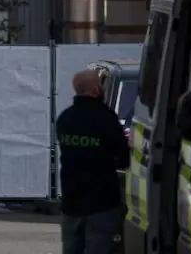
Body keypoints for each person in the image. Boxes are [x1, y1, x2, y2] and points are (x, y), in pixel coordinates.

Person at [56, 69, 130, 254]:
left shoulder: (65, 119)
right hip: (101, 203)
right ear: (96, 90)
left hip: (72, 202)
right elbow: (123, 160)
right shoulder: (107, 119)